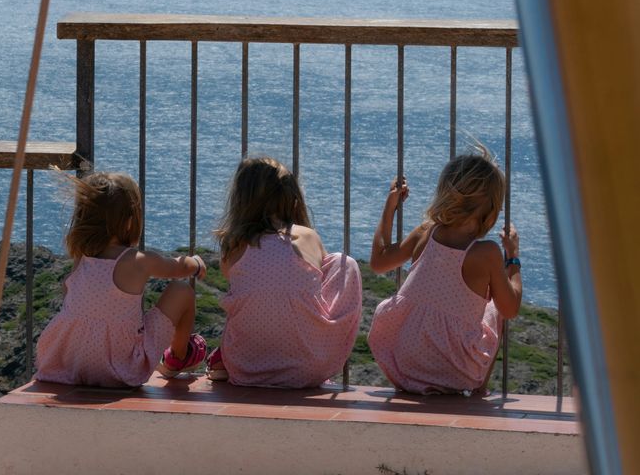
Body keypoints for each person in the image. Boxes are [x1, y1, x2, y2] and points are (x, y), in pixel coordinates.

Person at [367, 146, 522, 394]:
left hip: (406, 364)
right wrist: (513, 258)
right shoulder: (487, 253)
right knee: (494, 309)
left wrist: (390, 206)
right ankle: (479, 391)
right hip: (456, 372)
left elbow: (379, 262)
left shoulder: (426, 232)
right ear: (492, 209)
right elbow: (510, 308)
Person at [34, 171, 208, 387]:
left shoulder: (82, 257)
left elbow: (67, 291)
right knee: (182, 291)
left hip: (69, 362)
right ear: (128, 222)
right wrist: (197, 263)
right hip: (121, 368)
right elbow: (178, 267)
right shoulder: (138, 261)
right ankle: (177, 358)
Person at [208, 157, 361, 387]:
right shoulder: (307, 237)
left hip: (245, 367)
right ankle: (316, 346)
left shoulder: (234, 249)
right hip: (308, 369)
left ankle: (225, 356)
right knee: (344, 264)